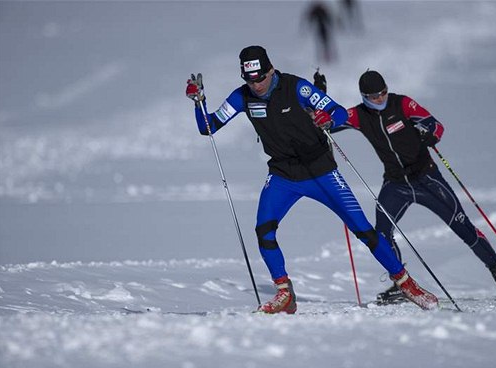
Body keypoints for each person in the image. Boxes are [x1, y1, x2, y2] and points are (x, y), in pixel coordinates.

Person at [185, 46, 439, 313]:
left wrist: (326, 119)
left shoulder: (297, 87)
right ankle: (284, 293)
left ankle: (406, 283)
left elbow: (338, 112)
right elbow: (208, 127)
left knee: (363, 229)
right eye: (250, 80)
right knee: (264, 231)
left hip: (321, 172)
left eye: (260, 78)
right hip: (283, 175)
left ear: (271, 70)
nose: (256, 85)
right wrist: (199, 101)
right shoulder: (243, 96)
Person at [313, 69, 496, 304]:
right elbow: (327, 125)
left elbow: (436, 126)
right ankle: (401, 284)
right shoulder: (359, 115)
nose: (381, 98)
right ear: (364, 96)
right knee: (381, 233)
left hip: (427, 178)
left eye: (383, 92)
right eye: (374, 96)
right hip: (396, 184)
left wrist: (430, 135)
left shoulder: (402, 103)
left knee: (462, 226)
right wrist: (319, 99)